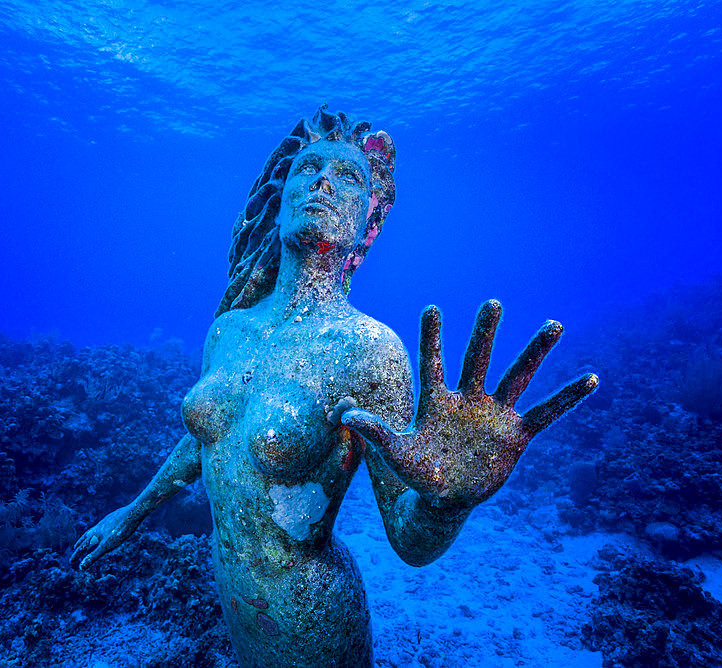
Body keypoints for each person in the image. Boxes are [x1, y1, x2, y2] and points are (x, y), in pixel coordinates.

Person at [70, 106, 598, 667]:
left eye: (347, 176)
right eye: (307, 168)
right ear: (279, 204)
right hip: (235, 605)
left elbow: (407, 540)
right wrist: (134, 510)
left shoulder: (369, 352)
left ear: (367, 221)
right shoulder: (229, 330)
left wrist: (451, 498)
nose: (321, 180)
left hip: (313, 625)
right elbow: (210, 438)